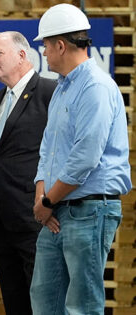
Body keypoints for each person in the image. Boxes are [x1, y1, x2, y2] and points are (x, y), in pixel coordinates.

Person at [31, 4, 132, 314]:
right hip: (57, 210)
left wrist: (46, 203)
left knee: (82, 306)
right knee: (45, 301)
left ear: (60, 45)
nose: (45, 53)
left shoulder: (96, 88)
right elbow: (48, 149)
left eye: (46, 46)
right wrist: (43, 197)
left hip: (89, 211)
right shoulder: (62, 90)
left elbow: (84, 159)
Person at [0, 31, 56, 315]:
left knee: (43, 303)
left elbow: (59, 152)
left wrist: (49, 202)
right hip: (0, 220)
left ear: (22, 55)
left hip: (36, 219)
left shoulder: (50, 92)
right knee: (14, 303)